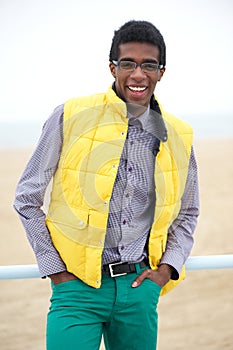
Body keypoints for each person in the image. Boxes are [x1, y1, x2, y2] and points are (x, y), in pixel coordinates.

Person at [14, 20, 199, 350]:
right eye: (128, 63)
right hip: (76, 288)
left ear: (161, 72)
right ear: (113, 67)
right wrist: (56, 270)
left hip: (139, 289)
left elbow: (188, 213)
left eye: (148, 65)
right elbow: (27, 197)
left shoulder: (179, 134)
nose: (138, 74)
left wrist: (168, 269)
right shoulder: (70, 115)